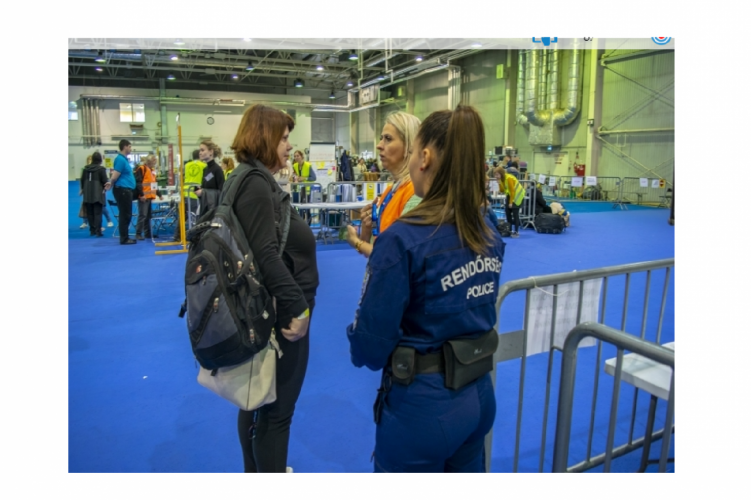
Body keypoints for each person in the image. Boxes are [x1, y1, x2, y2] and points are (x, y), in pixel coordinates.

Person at [346, 105, 506, 473]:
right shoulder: (486, 229)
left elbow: (371, 344)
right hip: (478, 394)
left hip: (422, 407)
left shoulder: (403, 239)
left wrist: (356, 341)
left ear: (425, 157)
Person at [231, 104, 319, 473]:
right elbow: (266, 254)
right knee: (277, 411)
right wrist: (299, 307)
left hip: (271, 308)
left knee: (257, 403)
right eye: (283, 138)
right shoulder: (254, 183)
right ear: (265, 138)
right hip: (281, 315)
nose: (288, 145)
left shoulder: (249, 178)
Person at [345, 111, 422, 258]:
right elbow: (378, 248)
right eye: (381, 138)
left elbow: (397, 256)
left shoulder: (415, 192)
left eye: (388, 139)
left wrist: (356, 242)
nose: (379, 145)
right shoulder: (390, 191)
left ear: (409, 145)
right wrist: (367, 230)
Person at [105, 139, 137, 245]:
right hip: (123, 190)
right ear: (125, 147)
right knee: (125, 215)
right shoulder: (120, 159)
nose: (131, 148)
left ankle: (125, 237)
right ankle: (124, 238)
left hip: (125, 190)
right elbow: (116, 174)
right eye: (130, 146)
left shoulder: (123, 159)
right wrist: (111, 182)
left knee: (126, 214)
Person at [173, 150, 205, 242]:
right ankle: (195, 237)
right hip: (195, 194)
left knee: (183, 215)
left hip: (185, 192)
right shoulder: (204, 165)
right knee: (196, 216)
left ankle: (177, 236)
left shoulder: (187, 165)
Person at [79, 152, 108, 237]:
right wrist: (104, 189)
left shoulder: (85, 169)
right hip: (97, 193)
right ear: (100, 160)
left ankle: (92, 230)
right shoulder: (101, 169)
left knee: (90, 213)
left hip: (87, 193)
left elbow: (82, 180)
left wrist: (83, 189)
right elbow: (105, 181)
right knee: (98, 213)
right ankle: (98, 231)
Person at [134, 154, 163, 240]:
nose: (155, 163)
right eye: (154, 161)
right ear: (149, 161)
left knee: (148, 216)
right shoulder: (141, 169)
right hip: (143, 197)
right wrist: (141, 194)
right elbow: (138, 183)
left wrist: (159, 194)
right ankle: (138, 233)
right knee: (142, 215)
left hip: (149, 196)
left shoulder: (152, 171)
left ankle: (147, 234)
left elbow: (154, 184)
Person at [193, 140, 225, 216]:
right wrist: (200, 189)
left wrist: (203, 192)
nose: (200, 153)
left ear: (211, 152)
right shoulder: (205, 169)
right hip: (205, 207)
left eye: (202, 150)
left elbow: (222, 192)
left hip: (214, 210)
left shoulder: (217, 170)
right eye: (200, 150)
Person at [494, 166, 524, 238]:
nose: (495, 176)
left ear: (501, 173)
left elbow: (512, 191)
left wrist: (510, 202)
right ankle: (509, 230)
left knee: (515, 214)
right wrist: (499, 183)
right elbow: (502, 190)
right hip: (510, 195)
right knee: (508, 213)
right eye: (495, 175)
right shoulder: (502, 179)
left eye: (497, 174)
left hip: (517, 196)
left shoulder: (509, 178)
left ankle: (516, 232)